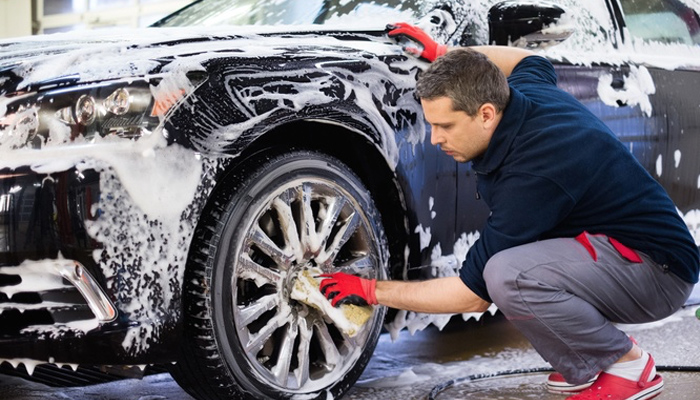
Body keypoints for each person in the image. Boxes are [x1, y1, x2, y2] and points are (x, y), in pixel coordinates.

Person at [318, 22, 700, 400]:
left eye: (445, 126)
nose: (435, 139)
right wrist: (446, 56)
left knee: (506, 275)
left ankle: (629, 367)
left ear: (485, 114)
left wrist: (372, 290)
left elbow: (472, 295)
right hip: (621, 252)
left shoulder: (533, 175)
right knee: (510, 269)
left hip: (658, 274)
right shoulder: (521, 93)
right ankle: (588, 366)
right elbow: (530, 59)